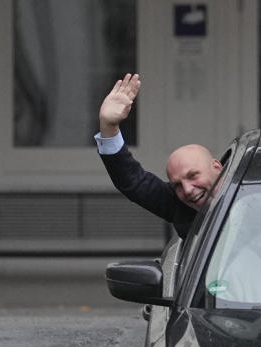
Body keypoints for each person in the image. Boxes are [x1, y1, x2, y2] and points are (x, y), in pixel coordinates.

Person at [94, 73, 223, 238]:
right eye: (177, 185)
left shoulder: (255, 194)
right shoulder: (181, 206)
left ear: (217, 167)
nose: (188, 190)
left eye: (193, 175)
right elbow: (133, 181)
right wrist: (108, 126)